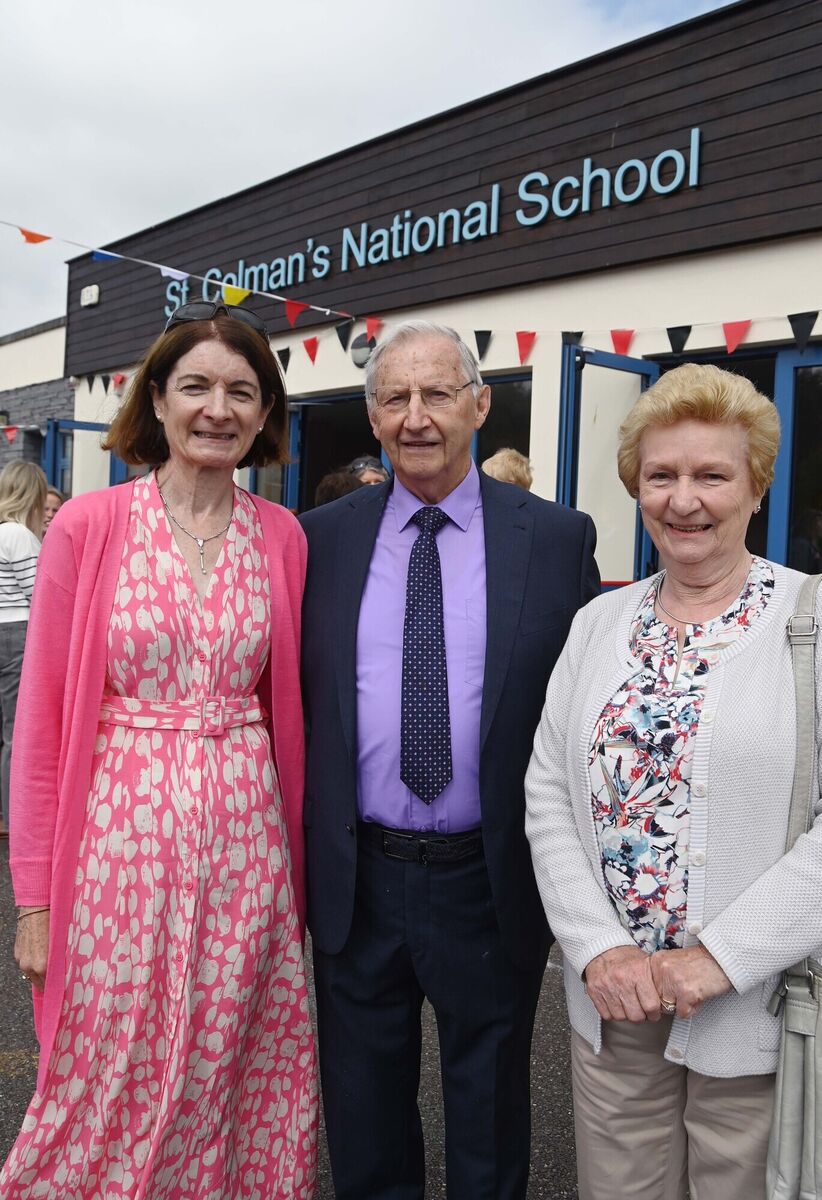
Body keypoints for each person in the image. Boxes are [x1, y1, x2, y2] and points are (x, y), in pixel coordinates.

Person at [3, 302, 317, 1199]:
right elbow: (40, 726)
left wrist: (297, 880)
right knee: (102, 1074)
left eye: (240, 391)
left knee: (228, 1062)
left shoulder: (283, 538)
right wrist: (34, 900)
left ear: (264, 416)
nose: (217, 408)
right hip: (114, 864)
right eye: (195, 387)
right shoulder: (87, 527)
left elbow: (285, 714)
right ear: (157, 401)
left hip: (247, 862)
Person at [300, 319, 599, 1199]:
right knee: (363, 1121)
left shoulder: (555, 538)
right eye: (394, 397)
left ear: (480, 403)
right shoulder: (317, 540)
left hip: (487, 875)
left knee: (490, 1115)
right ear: (373, 415)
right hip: (359, 875)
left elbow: (582, 704)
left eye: (437, 393)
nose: (416, 416)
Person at [525, 362, 822, 1200]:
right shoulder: (600, 622)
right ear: (637, 488)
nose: (683, 499)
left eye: (711, 475)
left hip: (759, 1017)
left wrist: (718, 960)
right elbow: (548, 790)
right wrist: (597, 948)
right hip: (614, 1010)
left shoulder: (812, 620)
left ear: (756, 488)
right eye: (662, 475)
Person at [0, 461, 46, 839]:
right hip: (17, 633)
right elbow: (40, 597)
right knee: (18, 735)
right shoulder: (19, 536)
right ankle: (18, 824)